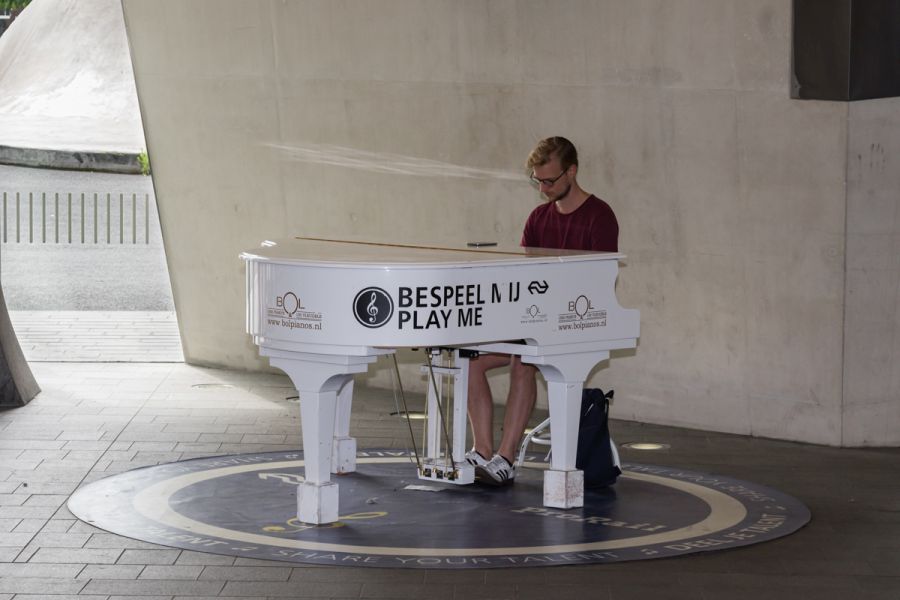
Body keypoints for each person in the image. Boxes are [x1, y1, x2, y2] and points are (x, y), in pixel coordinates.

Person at [465, 136, 619, 485]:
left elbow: (598, 284)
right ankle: (482, 450)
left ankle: (506, 458)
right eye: (538, 181)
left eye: (549, 181)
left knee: (523, 360)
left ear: (572, 171)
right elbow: (527, 277)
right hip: (536, 318)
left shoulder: (600, 216)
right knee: (471, 360)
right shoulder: (538, 218)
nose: (543, 188)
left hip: (576, 321)